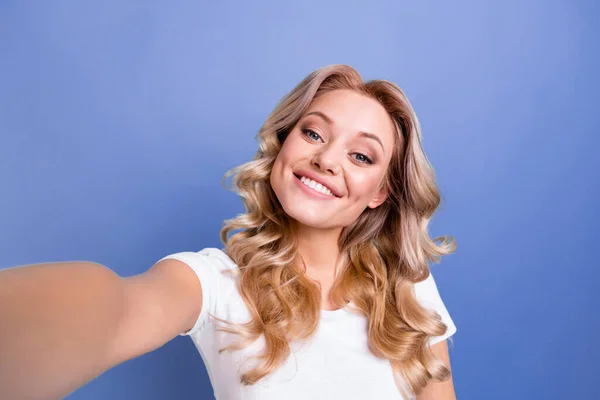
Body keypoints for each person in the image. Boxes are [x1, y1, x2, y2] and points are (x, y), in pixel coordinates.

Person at [0, 64, 458, 400]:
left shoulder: (407, 284)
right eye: (314, 134)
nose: (327, 160)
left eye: (362, 156)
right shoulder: (213, 284)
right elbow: (117, 309)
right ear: (282, 144)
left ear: (380, 192)